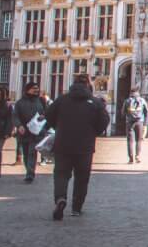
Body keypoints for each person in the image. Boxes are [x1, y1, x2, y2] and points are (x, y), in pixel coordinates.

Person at [45, 73, 109, 221]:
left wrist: (59, 127)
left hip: (63, 144)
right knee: (82, 177)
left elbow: (49, 115)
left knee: (61, 174)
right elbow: (104, 120)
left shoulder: (62, 100)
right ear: (89, 85)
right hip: (85, 146)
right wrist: (94, 132)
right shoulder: (94, 102)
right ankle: (76, 207)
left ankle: (60, 198)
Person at [14, 82, 48, 182]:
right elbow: (15, 116)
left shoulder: (41, 101)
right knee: (25, 153)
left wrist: (43, 116)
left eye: (37, 88)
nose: (36, 90)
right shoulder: (20, 103)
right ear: (28, 89)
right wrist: (19, 125)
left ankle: (30, 174)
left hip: (36, 132)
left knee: (32, 152)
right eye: (34, 88)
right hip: (24, 132)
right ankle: (28, 170)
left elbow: (46, 112)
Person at [123, 88, 147, 163]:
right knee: (138, 140)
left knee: (130, 141)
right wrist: (145, 123)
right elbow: (147, 111)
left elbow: (123, 112)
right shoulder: (142, 100)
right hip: (139, 122)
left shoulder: (127, 101)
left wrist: (127, 117)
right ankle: (138, 156)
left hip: (129, 123)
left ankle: (130, 158)